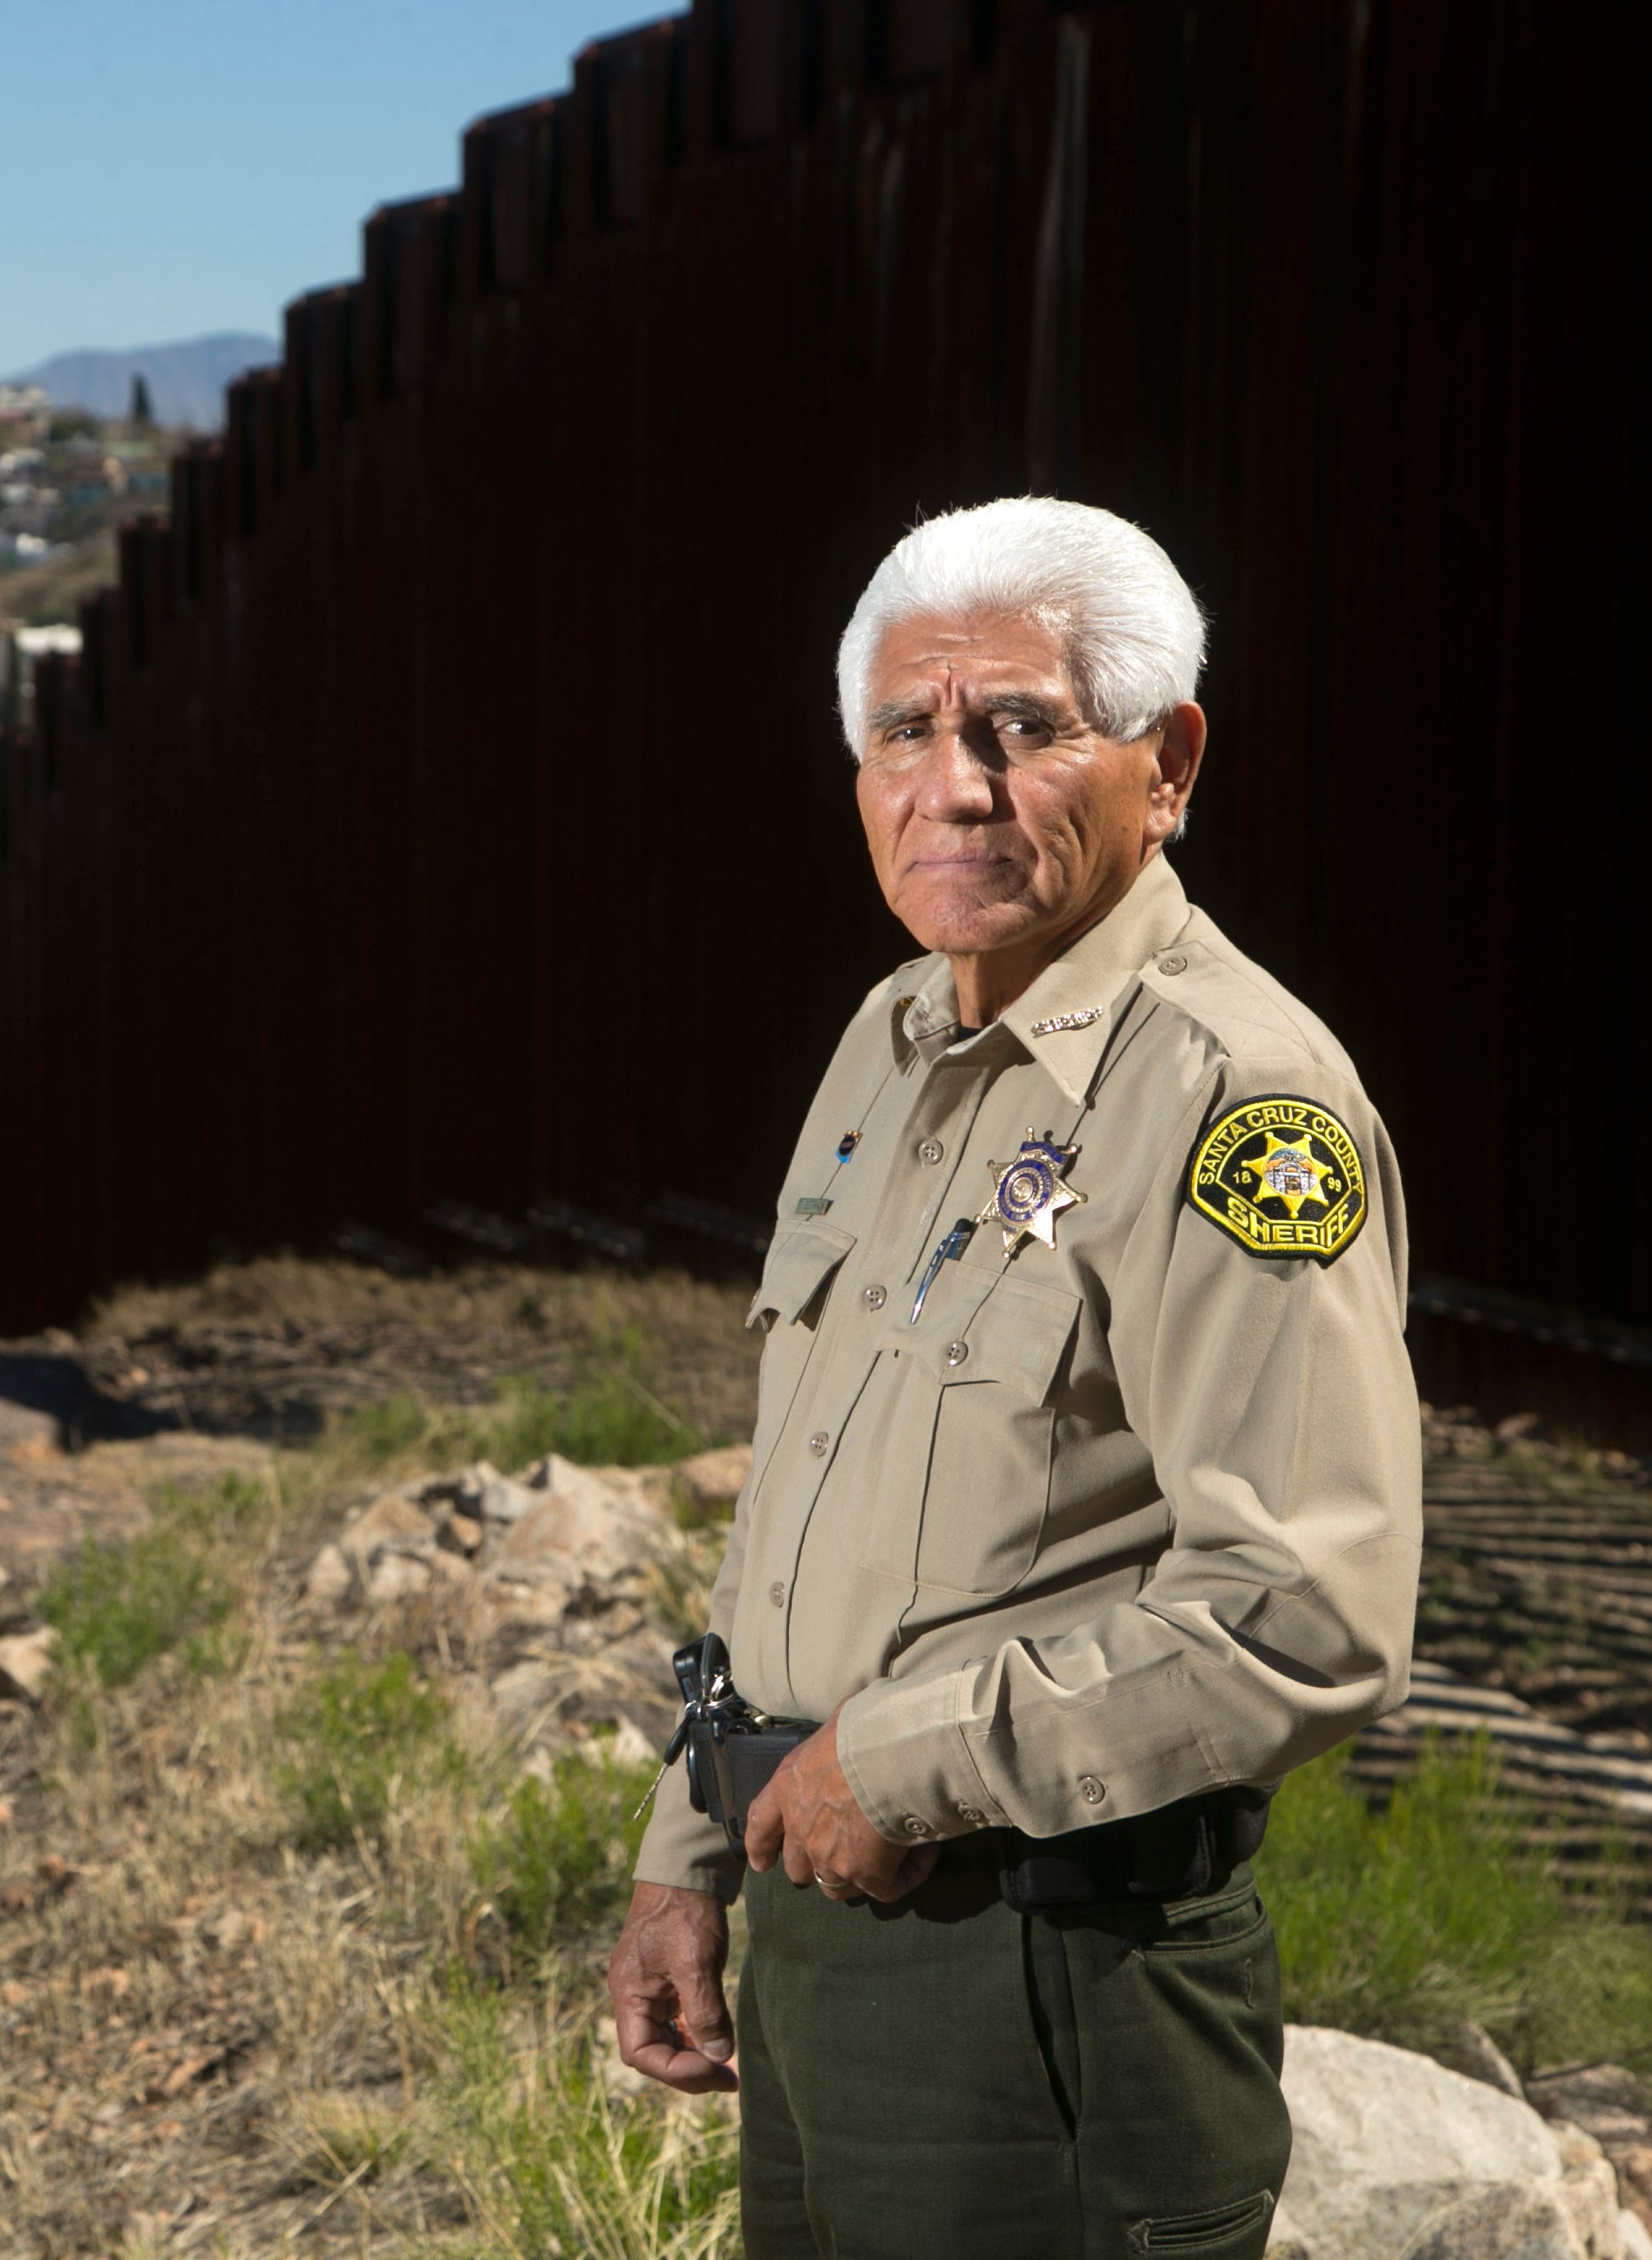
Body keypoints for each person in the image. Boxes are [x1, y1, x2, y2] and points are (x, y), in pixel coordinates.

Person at [607, 497, 1419, 2258]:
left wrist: (889, 1766)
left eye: (1022, 728)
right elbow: (796, 1500)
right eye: (905, 729)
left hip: (1046, 1984)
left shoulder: (1226, 1096)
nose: (951, 785)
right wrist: (685, 1849)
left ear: (1166, 762)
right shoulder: (896, 1039)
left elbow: (1303, 1609)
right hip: (818, 1940)